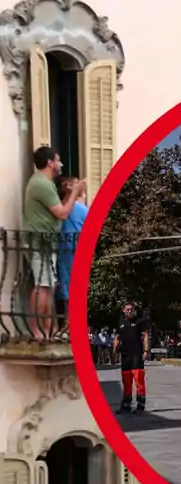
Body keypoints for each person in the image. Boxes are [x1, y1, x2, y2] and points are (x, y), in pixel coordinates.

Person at [24, 146, 84, 340]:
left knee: (47, 286)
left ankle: (47, 330)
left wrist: (68, 194)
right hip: (40, 242)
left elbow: (58, 210)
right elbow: (63, 213)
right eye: (58, 160)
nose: (61, 164)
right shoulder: (41, 183)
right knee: (42, 286)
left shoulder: (44, 183)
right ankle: (38, 332)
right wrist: (75, 192)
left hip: (46, 242)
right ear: (50, 162)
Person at [56, 175, 88, 309]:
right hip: (76, 251)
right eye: (76, 183)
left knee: (64, 287)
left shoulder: (59, 207)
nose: (80, 184)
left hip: (62, 250)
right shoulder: (81, 209)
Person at [113, 302, 150, 413]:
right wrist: (114, 353)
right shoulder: (120, 323)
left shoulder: (139, 322)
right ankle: (126, 405)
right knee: (126, 381)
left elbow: (145, 336)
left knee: (138, 379)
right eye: (127, 309)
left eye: (131, 309)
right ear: (123, 310)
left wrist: (146, 351)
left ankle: (140, 405)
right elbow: (117, 338)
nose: (129, 311)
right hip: (125, 355)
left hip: (136, 355)